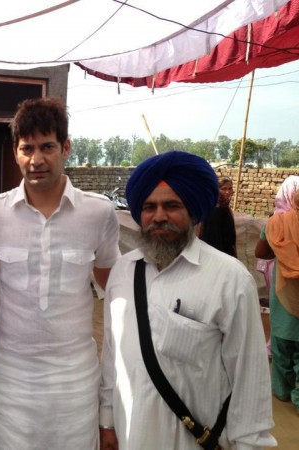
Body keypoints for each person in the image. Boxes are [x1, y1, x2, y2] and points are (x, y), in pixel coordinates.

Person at [100, 151, 276, 450]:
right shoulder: (122, 271)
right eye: (149, 207)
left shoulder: (229, 279)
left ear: (193, 211)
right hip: (129, 438)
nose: (158, 216)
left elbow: (250, 381)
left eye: (172, 206)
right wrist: (107, 422)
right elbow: (111, 354)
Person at [0, 97, 121, 450]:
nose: (36, 159)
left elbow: (115, 290)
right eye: (27, 148)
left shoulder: (98, 213)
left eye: (47, 147)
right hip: (10, 379)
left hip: (74, 381)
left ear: (66, 148)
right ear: (15, 151)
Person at [255, 175, 299, 413]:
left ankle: (282, 393)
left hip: (284, 295)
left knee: (282, 348)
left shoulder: (276, 222)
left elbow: (261, 252)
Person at [200, 176, 237, 257]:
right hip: (215, 253)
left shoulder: (225, 208)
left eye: (230, 188)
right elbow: (211, 237)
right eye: (224, 189)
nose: (227, 192)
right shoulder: (213, 209)